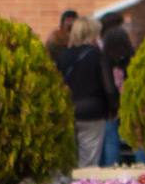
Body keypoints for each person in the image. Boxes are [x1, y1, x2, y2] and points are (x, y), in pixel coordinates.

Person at [56, 16, 116, 167]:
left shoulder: (62, 56)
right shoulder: (98, 56)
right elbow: (108, 87)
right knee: (89, 161)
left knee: (68, 158)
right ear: (93, 34)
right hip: (92, 111)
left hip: (67, 112)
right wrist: (113, 108)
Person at [98, 11, 136, 166]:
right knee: (137, 141)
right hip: (130, 104)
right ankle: (144, 170)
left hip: (110, 107)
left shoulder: (104, 57)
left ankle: (110, 174)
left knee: (110, 142)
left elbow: (107, 85)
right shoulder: (131, 56)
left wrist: (112, 106)